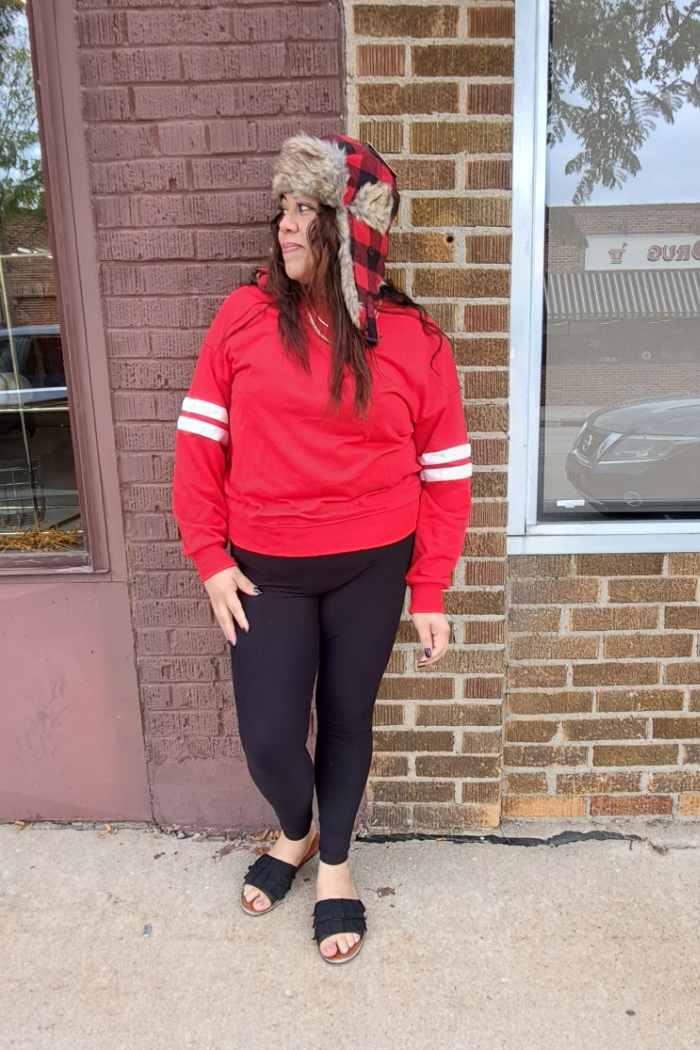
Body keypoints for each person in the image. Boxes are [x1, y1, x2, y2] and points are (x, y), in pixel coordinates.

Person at [172, 133, 472, 965]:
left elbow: (447, 473)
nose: (285, 225)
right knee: (270, 737)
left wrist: (430, 587)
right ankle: (297, 828)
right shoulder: (243, 317)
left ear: (349, 226)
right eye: (284, 207)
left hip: (372, 565)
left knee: (346, 721)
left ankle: (334, 863)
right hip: (264, 570)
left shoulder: (412, 338)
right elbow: (198, 443)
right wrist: (209, 556)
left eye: (305, 209)